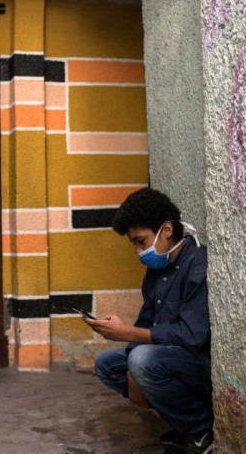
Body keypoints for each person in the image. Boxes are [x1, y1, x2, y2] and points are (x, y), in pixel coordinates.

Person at [82, 188, 214, 454]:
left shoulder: (197, 264)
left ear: (166, 230)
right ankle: (184, 424)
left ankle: (202, 430)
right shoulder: (157, 270)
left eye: (141, 241)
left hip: (197, 363)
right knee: (106, 364)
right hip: (165, 358)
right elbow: (147, 321)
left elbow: (191, 336)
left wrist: (126, 335)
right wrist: (130, 361)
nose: (139, 251)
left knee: (143, 361)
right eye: (135, 244)